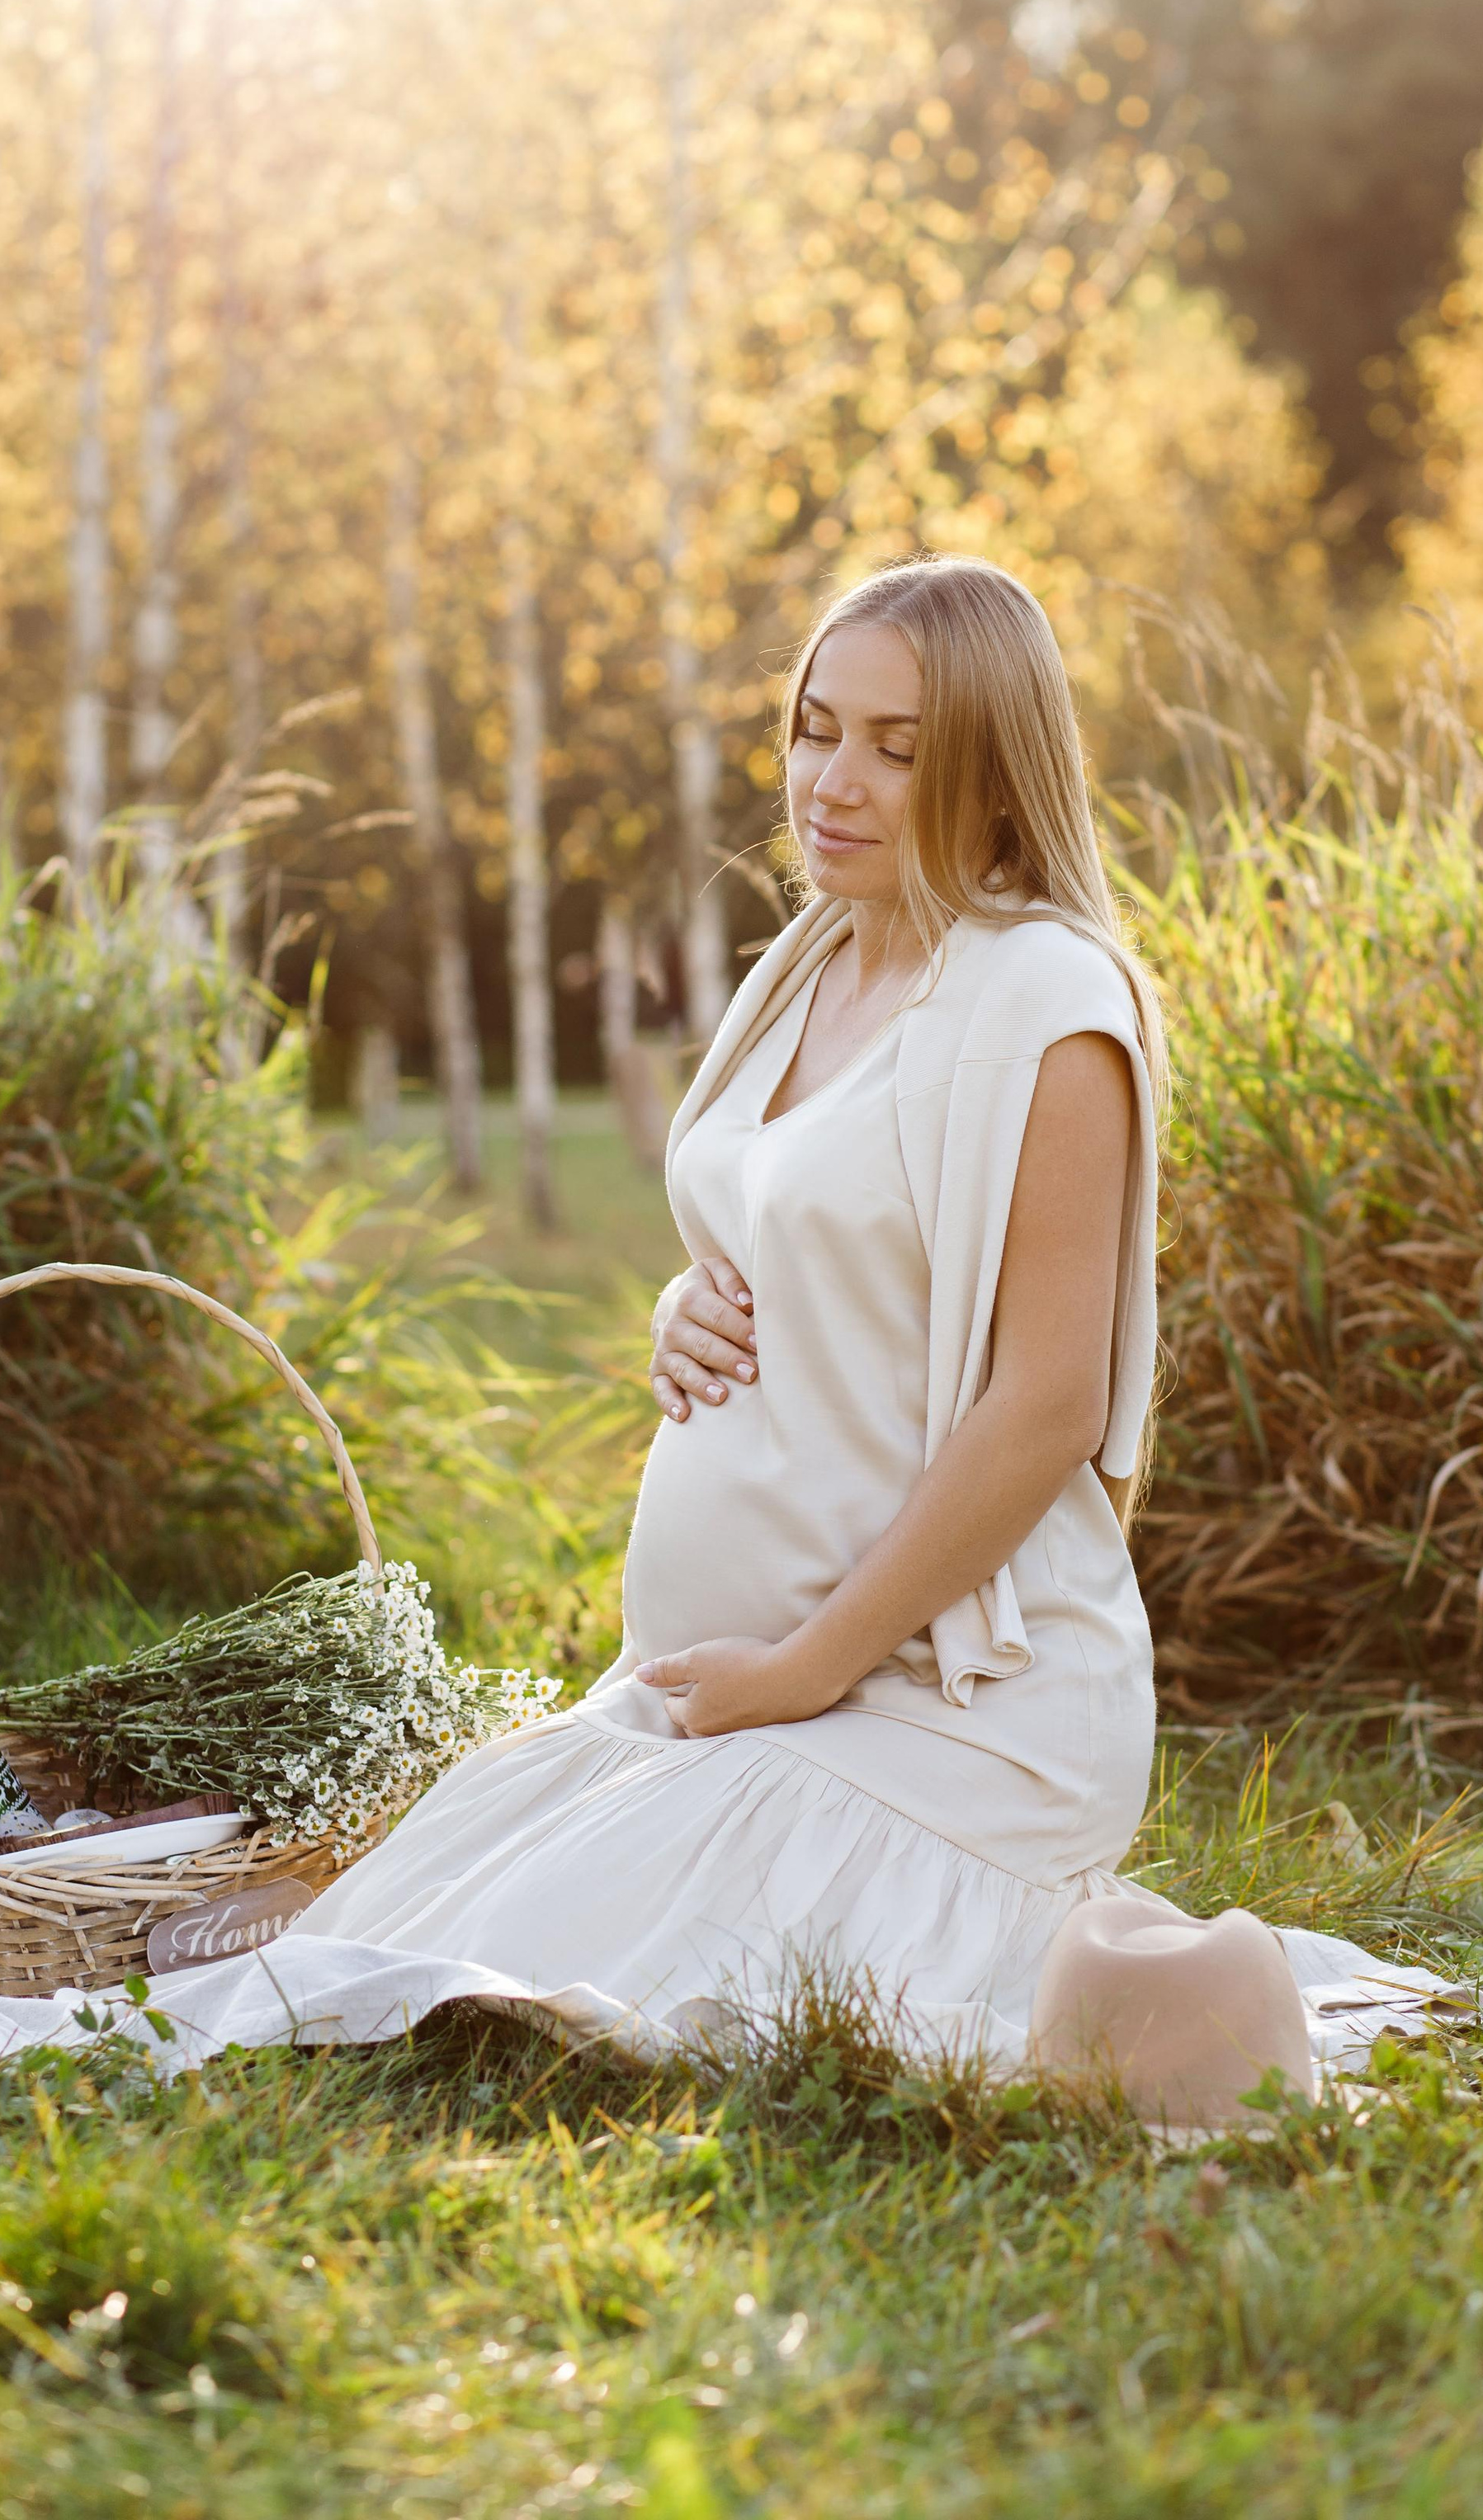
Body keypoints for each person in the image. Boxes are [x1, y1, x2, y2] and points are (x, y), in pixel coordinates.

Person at [287, 555, 1340, 2106]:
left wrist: (802, 1668)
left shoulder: (1047, 1010)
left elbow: (1049, 1402)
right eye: (816, 728)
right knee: (428, 1913)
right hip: (737, 1674)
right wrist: (683, 1298)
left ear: (994, 777)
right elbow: (790, 1224)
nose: (834, 784)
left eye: (899, 749)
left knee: (532, 1962)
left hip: (941, 1710)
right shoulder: (812, 962)